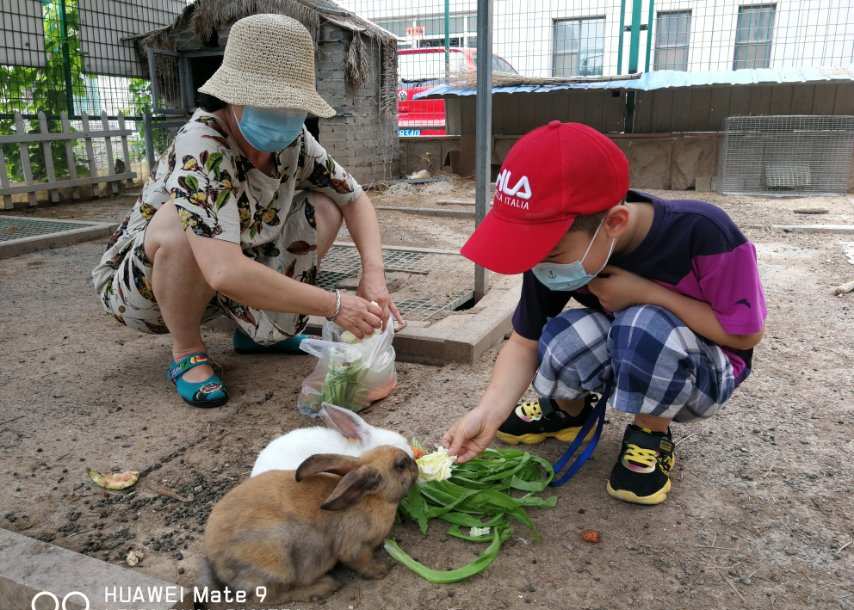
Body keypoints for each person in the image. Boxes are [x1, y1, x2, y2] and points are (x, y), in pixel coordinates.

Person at [442, 121, 766, 505]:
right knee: (562, 334)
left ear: (614, 223)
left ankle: (650, 434)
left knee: (642, 324)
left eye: (549, 255)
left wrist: (645, 293)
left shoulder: (704, 231)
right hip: (630, 350)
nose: (539, 265)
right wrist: (487, 413)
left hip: (708, 371)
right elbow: (525, 341)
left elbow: (746, 334)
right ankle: (568, 412)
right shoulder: (563, 249)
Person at [91, 14, 402, 409]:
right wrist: (334, 305)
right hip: (147, 287)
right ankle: (187, 351)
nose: (283, 114)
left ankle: (260, 330)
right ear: (233, 95)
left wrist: (373, 273)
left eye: (292, 105)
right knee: (177, 224)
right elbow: (223, 270)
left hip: (235, 266)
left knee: (325, 205)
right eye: (269, 101)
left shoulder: (294, 142)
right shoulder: (201, 145)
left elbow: (353, 198)